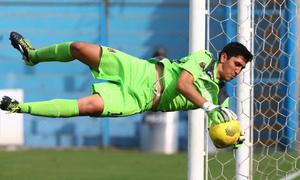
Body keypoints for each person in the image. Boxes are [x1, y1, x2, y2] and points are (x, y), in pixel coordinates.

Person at [1, 32, 252, 147]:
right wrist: (209, 107)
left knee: (87, 107)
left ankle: (18, 107)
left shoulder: (222, 98)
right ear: (224, 57)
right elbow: (182, 83)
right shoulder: (205, 57)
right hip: (139, 70)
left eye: (242, 68)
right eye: (237, 64)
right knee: (79, 48)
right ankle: (32, 55)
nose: (238, 71)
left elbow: (219, 136)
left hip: (140, 99)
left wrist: (234, 137)